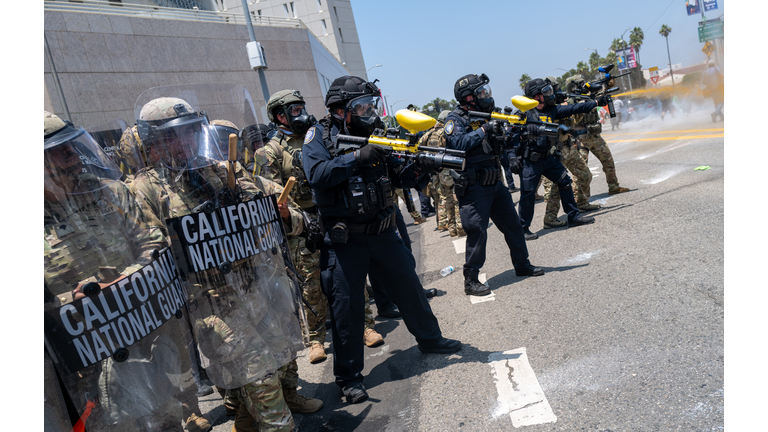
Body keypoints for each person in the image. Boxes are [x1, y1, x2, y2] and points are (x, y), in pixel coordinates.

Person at [130, 94, 320, 431]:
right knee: (259, 377)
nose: (185, 141)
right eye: (174, 135)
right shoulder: (144, 190)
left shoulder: (220, 170)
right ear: (154, 144)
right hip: (213, 307)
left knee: (281, 356)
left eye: (190, 131)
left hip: (257, 287)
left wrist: (284, 214)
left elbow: (276, 200)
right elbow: (149, 251)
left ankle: (250, 415)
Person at [43, 111, 210, 432]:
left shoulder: (111, 193)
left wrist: (121, 283)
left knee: (166, 420)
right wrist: (70, 302)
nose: (73, 154)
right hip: (82, 366)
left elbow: (155, 244)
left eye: (71, 146)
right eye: (60, 151)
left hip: (142, 335)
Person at [302, 75, 461, 404]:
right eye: (361, 106)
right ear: (341, 111)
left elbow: (398, 175)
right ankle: (348, 377)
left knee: (409, 288)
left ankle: (430, 339)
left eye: (370, 105)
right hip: (345, 240)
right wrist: (358, 157)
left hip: (384, 231)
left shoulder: (376, 135)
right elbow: (316, 175)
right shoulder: (320, 135)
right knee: (348, 309)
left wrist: (422, 166)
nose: (368, 112)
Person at [443, 73, 544, 296]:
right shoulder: (455, 119)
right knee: (477, 232)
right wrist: (483, 130)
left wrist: (524, 134)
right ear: (468, 98)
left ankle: (522, 265)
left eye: (485, 91)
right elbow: (458, 143)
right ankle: (470, 280)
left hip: (494, 182)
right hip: (473, 185)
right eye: (480, 92)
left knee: (513, 225)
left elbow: (506, 140)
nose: (485, 95)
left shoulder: (490, 115)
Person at [516, 78, 601, 239]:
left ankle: (573, 216)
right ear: (536, 96)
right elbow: (511, 135)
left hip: (548, 158)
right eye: (546, 92)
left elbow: (574, 108)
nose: (550, 94)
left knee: (564, 181)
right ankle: (522, 228)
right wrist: (513, 158)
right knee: (527, 194)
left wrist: (595, 102)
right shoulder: (524, 113)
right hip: (530, 161)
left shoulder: (551, 110)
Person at [565, 75, 631, 197]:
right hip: (580, 139)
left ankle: (613, 185)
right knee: (581, 171)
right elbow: (576, 116)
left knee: (608, 161)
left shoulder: (590, 96)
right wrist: (586, 101)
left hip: (594, 136)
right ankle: (580, 197)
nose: (584, 86)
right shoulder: (570, 101)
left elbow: (605, 89)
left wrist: (608, 80)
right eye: (581, 84)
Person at [419, 110, 466, 236]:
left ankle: (450, 228)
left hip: (435, 171)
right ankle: (460, 227)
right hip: (448, 169)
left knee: (443, 198)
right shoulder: (445, 132)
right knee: (455, 198)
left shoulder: (428, 135)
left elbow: (418, 148)